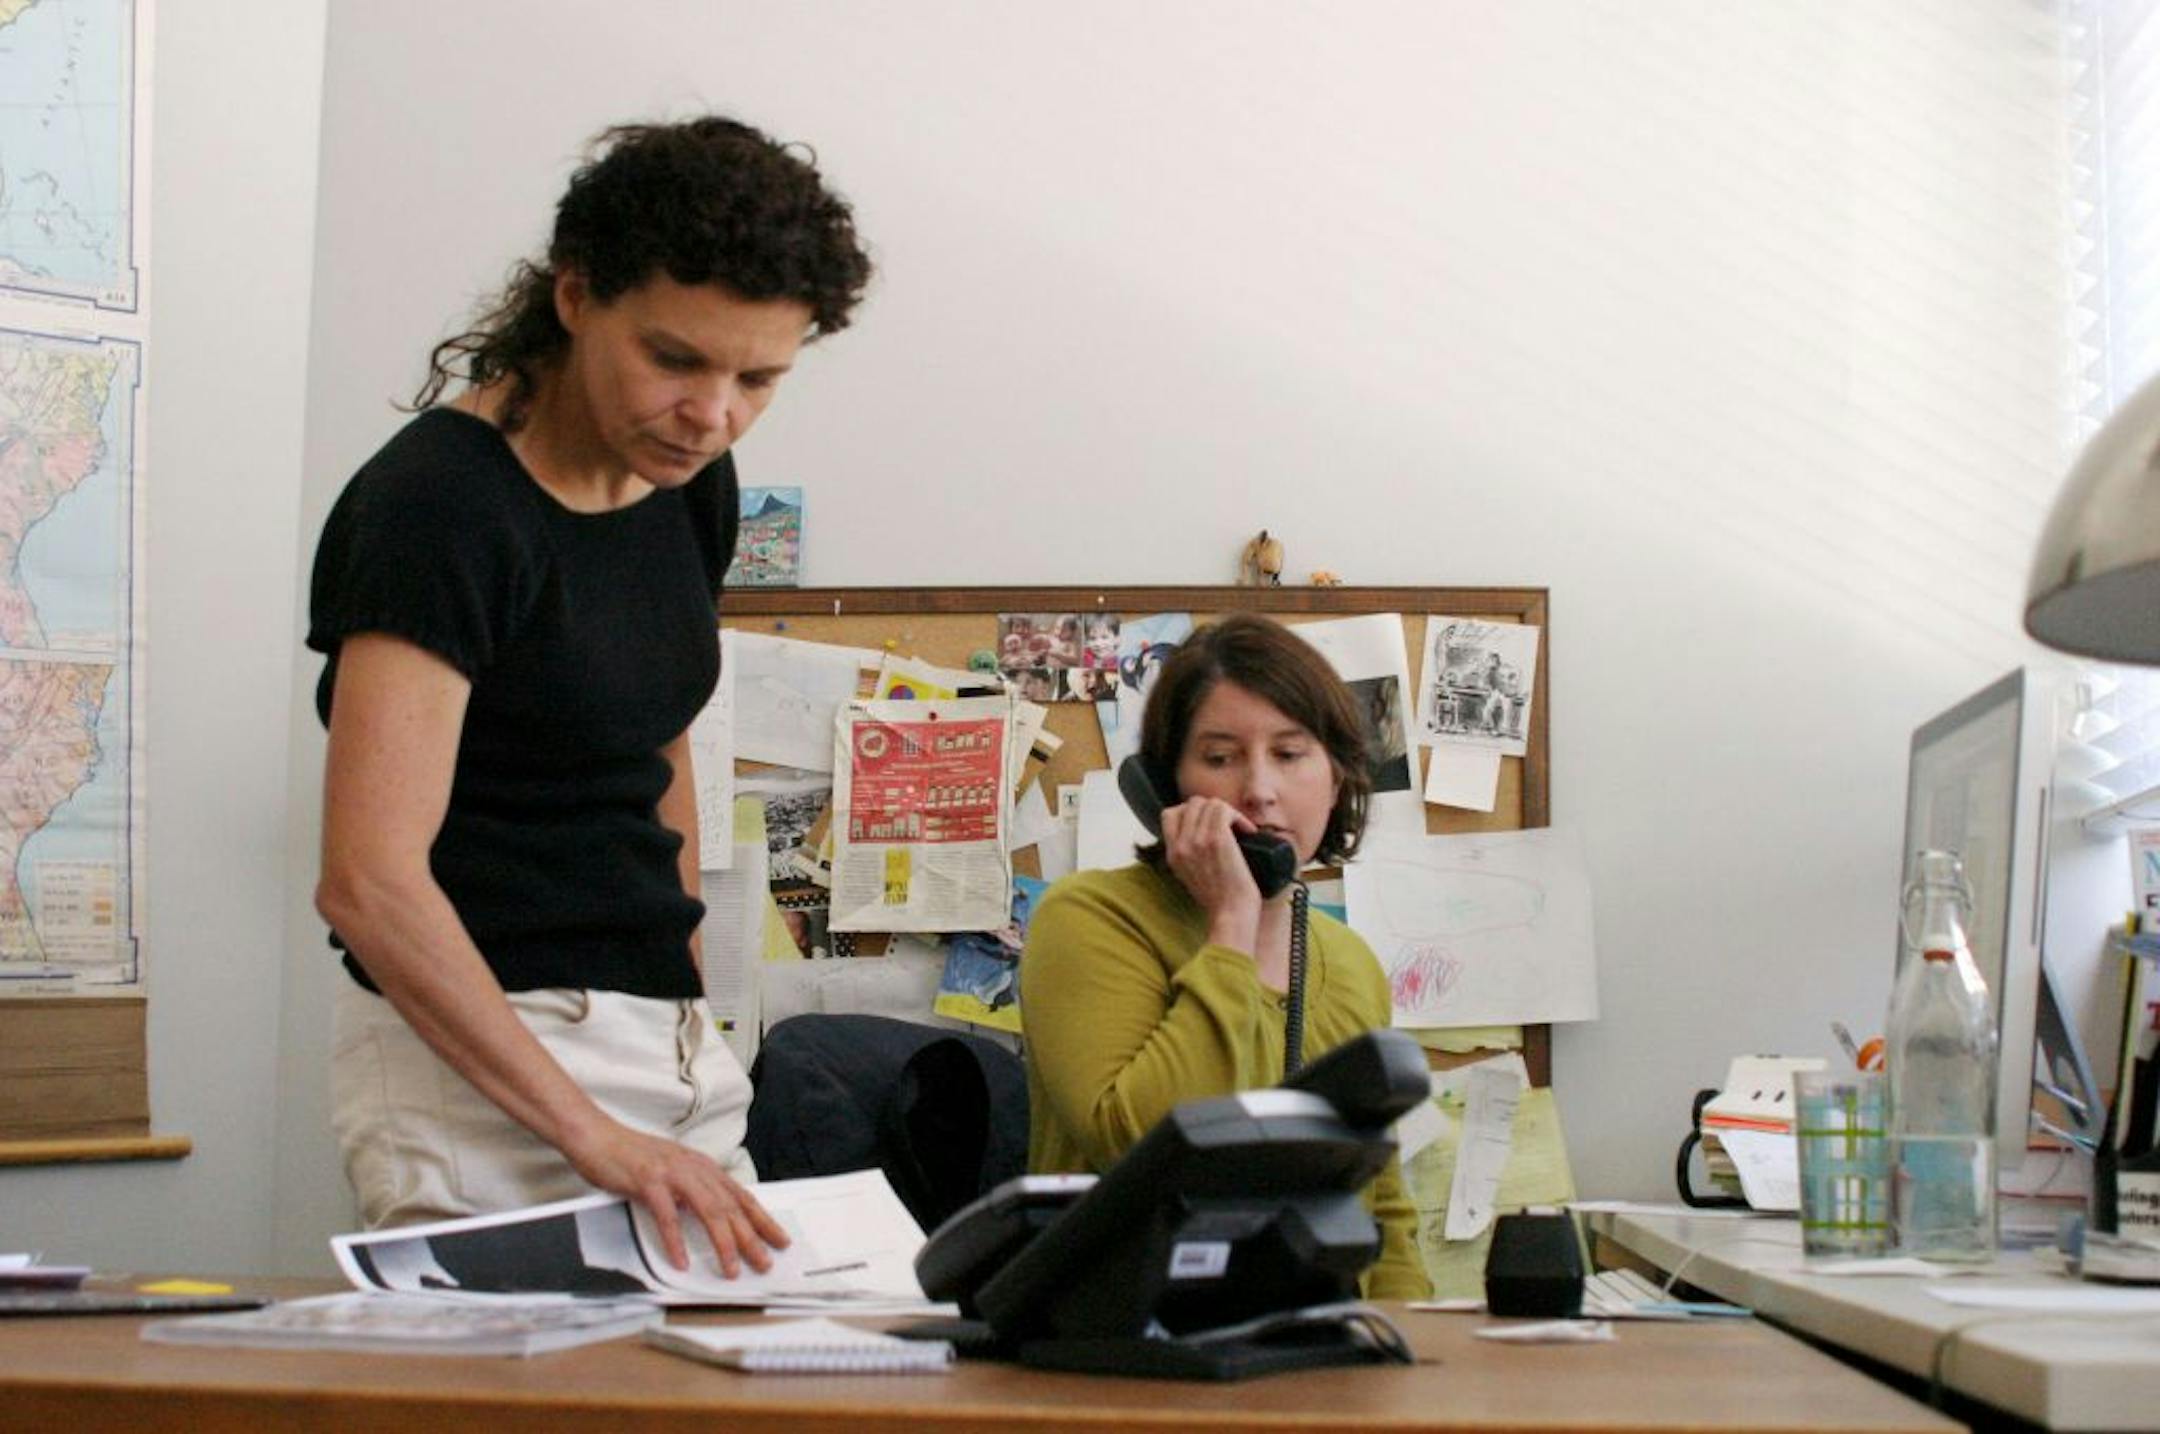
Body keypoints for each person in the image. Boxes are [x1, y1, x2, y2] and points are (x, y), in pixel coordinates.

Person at [308, 116, 872, 1275]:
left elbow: (657, 740)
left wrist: (692, 1006)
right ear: (573, 297)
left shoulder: (691, 484)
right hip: (484, 1059)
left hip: (663, 1048)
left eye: (758, 377)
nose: (713, 414)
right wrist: (591, 1134)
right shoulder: (440, 506)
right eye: (675, 360)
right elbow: (367, 881)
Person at [1019, 614, 1430, 1299]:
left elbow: (1379, 1208)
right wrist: (1232, 921)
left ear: (1337, 776)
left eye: (1290, 754)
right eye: (1219, 757)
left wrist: (1407, 1355)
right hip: (1120, 1344)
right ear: (1164, 787)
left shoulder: (1350, 964)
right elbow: (1141, 1147)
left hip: (1301, 1352)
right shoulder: (1088, 919)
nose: (1259, 789)